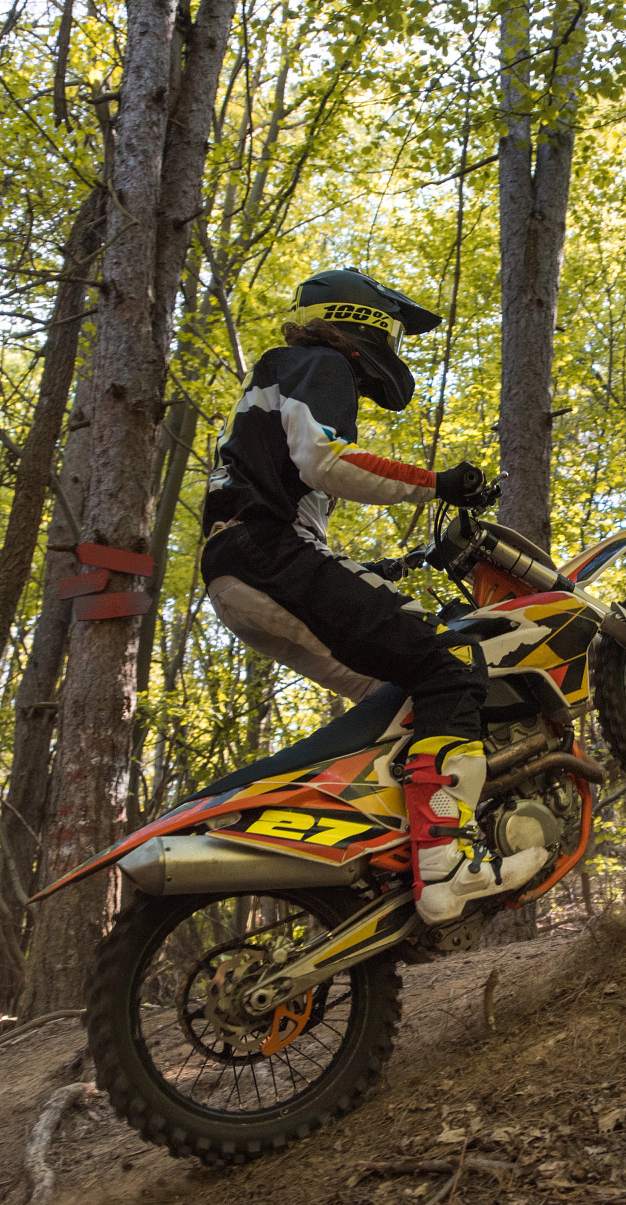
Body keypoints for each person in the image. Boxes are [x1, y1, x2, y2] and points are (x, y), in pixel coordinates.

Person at [198, 268, 543, 925]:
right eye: (392, 335)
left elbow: (287, 486)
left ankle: (385, 855)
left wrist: (382, 567)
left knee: (402, 701)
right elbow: (323, 460)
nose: (364, 385)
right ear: (367, 325)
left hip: (239, 574)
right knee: (452, 661)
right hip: (269, 557)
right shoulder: (318, 362)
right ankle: (445, 861)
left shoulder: (278, 377)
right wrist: (439, 482)